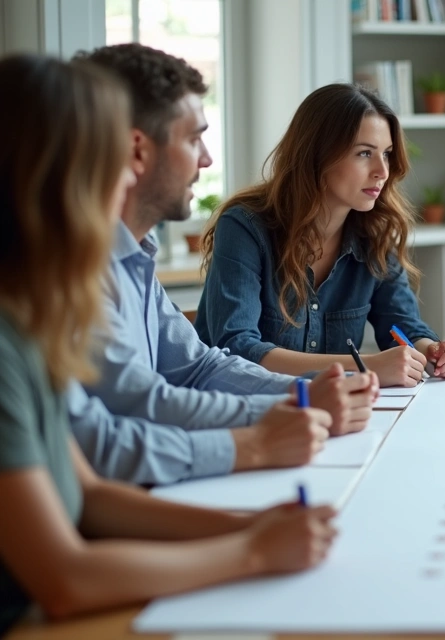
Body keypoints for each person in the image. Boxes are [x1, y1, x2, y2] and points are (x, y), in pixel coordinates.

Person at [0, 53, 336, 636]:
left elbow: (92, 493)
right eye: (112, 165)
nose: (128, 179)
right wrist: (251, 551)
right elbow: (64, 579)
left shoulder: (32, 322)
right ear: (53, 184)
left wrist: (252, 527)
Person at [69, 44, 376, 484]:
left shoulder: (133, 257)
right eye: (194, 139)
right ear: (138, 151)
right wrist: (287, 416)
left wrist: (302, 393)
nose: (208, 159)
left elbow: (196, 367)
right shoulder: (77, 269)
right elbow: (137, 405)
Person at [194, 83, 445, 387]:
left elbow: (401, 325)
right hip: (242, 412)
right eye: (364, 153)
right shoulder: (244, 226)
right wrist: (365, 367)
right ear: (318, 154)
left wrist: (432, 352)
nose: (382, 171)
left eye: (387, 154)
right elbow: (238, 349)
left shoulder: (374, 233)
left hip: (329, 414)